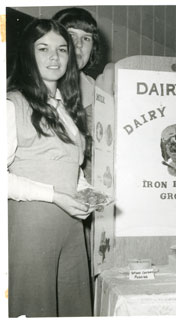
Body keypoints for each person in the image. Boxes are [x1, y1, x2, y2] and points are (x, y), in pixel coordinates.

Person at [7, 19, 94, 317]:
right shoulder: (12, 105)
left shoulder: (65, 107)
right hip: (32, 229)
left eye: (61, 50)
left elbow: (70, 165)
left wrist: (86, 192)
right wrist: (55, 196)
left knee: (75, 308)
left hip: (71, 226)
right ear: (27, 55)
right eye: (43, 49)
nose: (54, 57)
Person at [53, 7, 101, 183]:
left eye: (86, 38)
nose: (79, 44)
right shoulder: (28, 87)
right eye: (71, 35)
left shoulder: (101, 94)